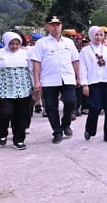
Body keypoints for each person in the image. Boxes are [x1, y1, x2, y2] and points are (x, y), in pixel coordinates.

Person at [30, 15, 81, 144]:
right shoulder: (41, 43)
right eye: (52, 25)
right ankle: (57, 131)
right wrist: (37, 81)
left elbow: (75, 60)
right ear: (47, 27)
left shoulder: (69, 42)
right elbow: (36, 62)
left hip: (67, 78)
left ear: (61, 26)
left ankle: (66, 124)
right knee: (51, 107)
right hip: (49, 79)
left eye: (57, 24)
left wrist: (79, 76)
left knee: (70, 102)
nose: (55, 27)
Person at [0, 31, 34, 150]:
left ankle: (19, 139)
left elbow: (31, 70)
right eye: (12, 43)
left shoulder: (26, 53)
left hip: (24, 88)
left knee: (21, 115)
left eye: (17, 43)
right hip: (6, 89)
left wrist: (35, 87)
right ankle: (3, 132)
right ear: (7, 43)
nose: (15, 46)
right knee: (7, 112)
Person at [79, 26, 107, 142]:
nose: (99, 37)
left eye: (101, 35)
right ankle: (90, 129)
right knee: (95, 107)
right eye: (96, 35)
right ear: (91, 35)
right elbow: (82, 69)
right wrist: (85, 84)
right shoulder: (85, 51)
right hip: (93, 82)